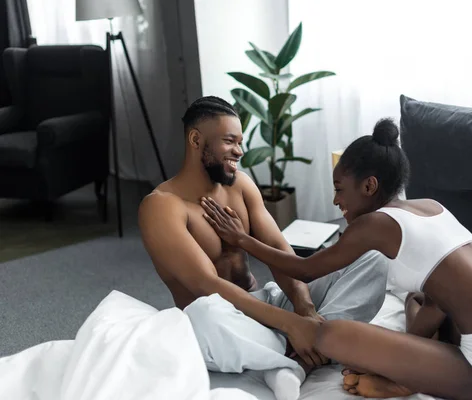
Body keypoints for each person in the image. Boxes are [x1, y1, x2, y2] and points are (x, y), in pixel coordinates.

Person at [200, 118, 472, 400]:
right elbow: (440, 303)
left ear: (368, 186)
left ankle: (403, 382)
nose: (336, 201)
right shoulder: (431, 207)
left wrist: (242, 239)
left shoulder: (375, 225)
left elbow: (305, 271)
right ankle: (416, 367)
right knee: (417, 301)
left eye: (339, 189)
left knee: (330, 335)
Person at [137, 96, 388, 400]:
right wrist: (292, 323)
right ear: (195, 139)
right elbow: (206, 285)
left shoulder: (241, 185)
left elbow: (281, 252)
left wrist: (305, 310)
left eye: (241, 142)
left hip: (267, 305)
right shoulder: (161, 206)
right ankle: (310, 349)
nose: (239, 152)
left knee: (370, 259)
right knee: (204, 312)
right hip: (221, 324)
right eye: (229, 141)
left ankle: (303, 349)